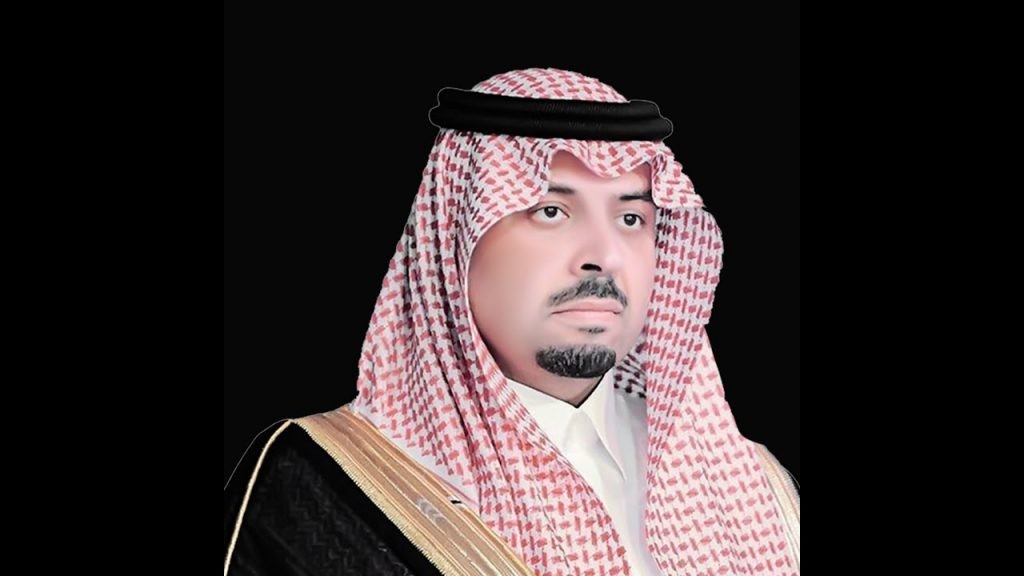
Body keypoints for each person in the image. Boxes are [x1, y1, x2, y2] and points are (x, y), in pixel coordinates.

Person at [224, 67, 800, 576]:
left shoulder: (758, 489)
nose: (604, 255)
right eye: (551, 211)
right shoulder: (323, 486)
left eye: (631, 218)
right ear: (457, 237)